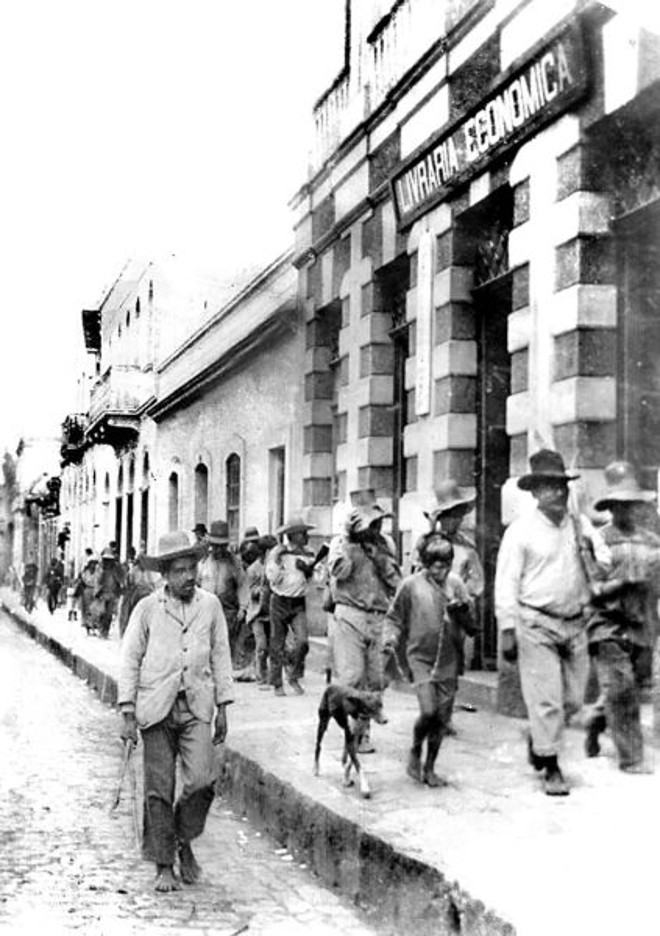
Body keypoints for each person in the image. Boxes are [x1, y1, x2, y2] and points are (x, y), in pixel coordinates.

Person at [118, 531, 233, 893]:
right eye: (180, 570)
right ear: (164, 574)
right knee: (158, 789)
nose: (188, 576)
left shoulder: (210, 605)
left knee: (202, 780)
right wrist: (127, 710)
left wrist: (224, 706)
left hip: (198, 705)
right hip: (155, 709)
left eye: (192, 568)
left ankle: (183, 840)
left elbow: (221, 655)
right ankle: (164, 864)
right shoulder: (148, 609)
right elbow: (130, 658)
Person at [495, 449, 595, 796]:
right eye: (548, 487)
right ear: (535, 493)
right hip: (536, 622)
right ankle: (551, 766)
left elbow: (604, 561)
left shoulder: (579, 526)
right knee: (547, 699)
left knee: (574, 699)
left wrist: (591, 548)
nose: (557, 493)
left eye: (561, 486)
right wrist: (507, 628)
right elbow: (506, 583)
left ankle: (540, 744)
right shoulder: (521, 532)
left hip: (576, 623)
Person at [584, 461, 660, 773]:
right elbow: (591, 585)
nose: (625, 511)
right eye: (619, 505)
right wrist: (622, 584)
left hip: (642, 623)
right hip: (607, 623)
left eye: (631, 504)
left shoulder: (651, 542)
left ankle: (597, 718)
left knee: (630, 682)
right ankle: (631, 758)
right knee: (621, 687)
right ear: (611, 506)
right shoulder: (597, 540)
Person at [383, 534, 475, 786]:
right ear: (425, 563)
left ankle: (430, 767)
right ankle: (415, 749)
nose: (441, 571)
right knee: (429, 711)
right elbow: (393, 617)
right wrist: (390, 639)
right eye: (435, 565)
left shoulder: (456, 585)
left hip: (448, 658)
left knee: (442, 719)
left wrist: (462, 613)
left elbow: (471, 624)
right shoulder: (411, 585)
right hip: (419, 657)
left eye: (446, 565)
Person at [327, 488, 401, 752]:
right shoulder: (340, 544)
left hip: (379, 617)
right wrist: (350, 541)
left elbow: (396, 582)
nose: (374, 527)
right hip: (350, 616)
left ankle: (363, 731)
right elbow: (339, 571)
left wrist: (379, 556)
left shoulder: (386, 545)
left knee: (376, 679)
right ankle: (351, 730)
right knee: (352, 677)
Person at [423, 479, 484, 732]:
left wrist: (465, 595)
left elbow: (477, 580)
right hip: (429, 615)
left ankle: (444, 717)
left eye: (457, 515)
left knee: (453, 668)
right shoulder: (425, 545)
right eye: (448, 515)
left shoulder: (467, 548)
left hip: (457, 615)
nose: (453, 521)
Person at [265, 515, 316, 696]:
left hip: (298, 603)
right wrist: (278, 563)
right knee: (276, 643)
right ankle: (277, 683)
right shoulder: (279, 552)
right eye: (302, 534)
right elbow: (272, 577)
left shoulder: (309, 553)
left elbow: (318, 577)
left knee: (302, 641)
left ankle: (293, 674)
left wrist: (308, 570)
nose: (306, 537)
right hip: (279, 601)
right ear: (293, 536)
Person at [197, 520, 247, 669]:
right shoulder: (203, 562)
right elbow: (196, 583)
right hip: (205, 609)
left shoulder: (234, 563)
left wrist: (242, 608)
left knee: (224, 642)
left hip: (227, 610)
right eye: (216, 546)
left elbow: (243, 585)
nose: (219, 550)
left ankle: (223, 672)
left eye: (222, 546)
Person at [92, 546, 125, 638]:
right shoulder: (99, 567)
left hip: (112, 593)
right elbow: (97, 580)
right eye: (106, 559)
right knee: (101, 613)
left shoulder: (116, 568)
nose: (108, 562)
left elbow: (121, 579)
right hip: (102, 593)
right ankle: (101, 629)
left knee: (109, 614)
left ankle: (105, 631)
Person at [74, 552, 99, 634]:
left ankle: (94, 626)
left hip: (95, 591)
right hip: (87, 590)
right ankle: (88, 626)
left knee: (95, 609)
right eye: (92, 563)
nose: (93, 565)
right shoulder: (85, 572)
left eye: (95, 563)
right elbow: (83, 581)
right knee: (87, 608)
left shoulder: (98, 572)